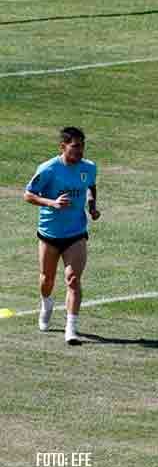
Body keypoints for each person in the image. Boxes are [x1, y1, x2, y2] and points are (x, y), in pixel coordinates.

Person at [24, 127, 100, 345]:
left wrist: (92, 206)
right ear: (63, 147)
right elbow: (28, 194)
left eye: (82, 146)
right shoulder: (48, 169)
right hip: (49, 233)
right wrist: (52, 203)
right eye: (75, 146)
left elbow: (90, 187)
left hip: (76, 233)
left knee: (73, 280)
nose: (80, 150)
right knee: (47, 279)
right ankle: (46, 303)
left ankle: (71, 329)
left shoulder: (89, 167)